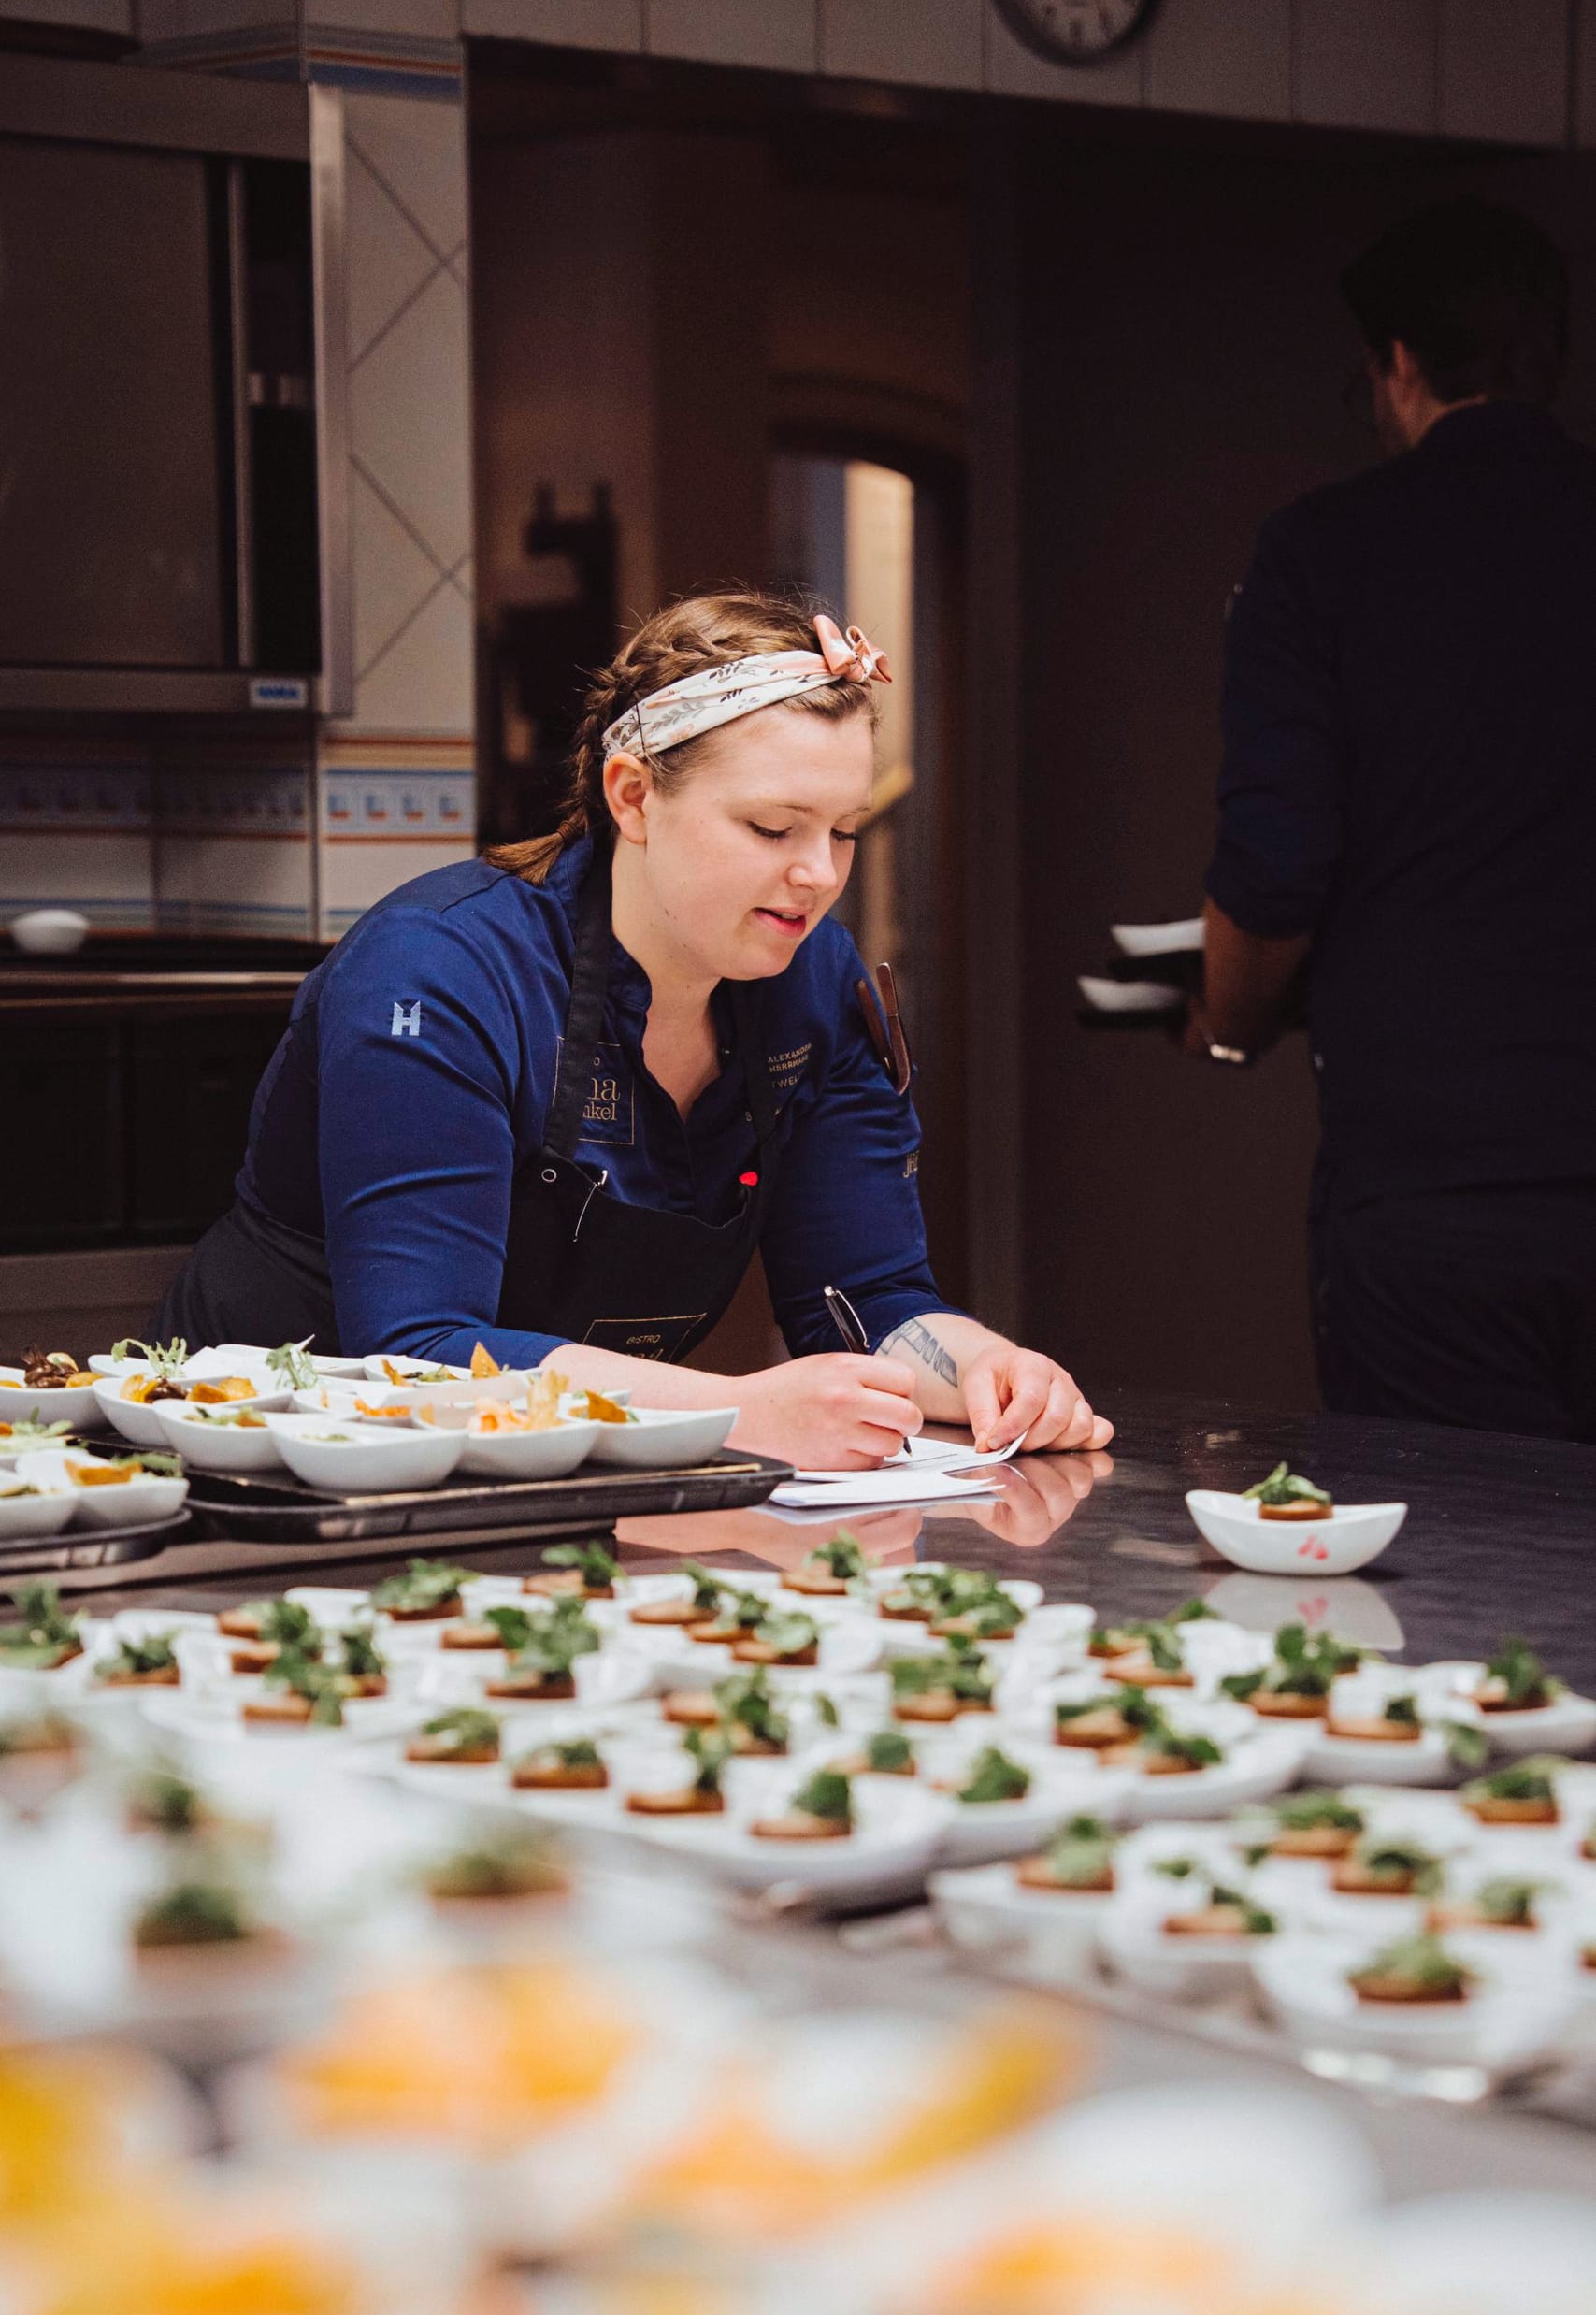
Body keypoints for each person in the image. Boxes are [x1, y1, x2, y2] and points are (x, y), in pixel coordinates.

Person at [163, 593, 1112, 1470]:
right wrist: (738, 1410)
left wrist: (984, 1368)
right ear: (632, 797)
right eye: (772, 827)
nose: (820, 875)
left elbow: (867, 1300)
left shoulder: (815, 981)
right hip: (274, 1464)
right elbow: (419, 1355)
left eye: (843, 830)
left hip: (564, 1477)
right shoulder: (438, 971)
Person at [1187, 196, 1596, 1440]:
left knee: (1464, 1544)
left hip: (1436, 1186)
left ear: (1400, 363)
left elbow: (1274, 867)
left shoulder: (1324, 555)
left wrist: (1226, 1018)